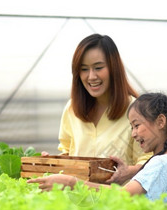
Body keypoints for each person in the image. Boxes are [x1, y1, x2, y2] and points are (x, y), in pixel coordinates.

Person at [29, 92, 167, 203]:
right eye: (131, 127)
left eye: (137, 125)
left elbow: (123, 196)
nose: (133, 134)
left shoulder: (162, 163)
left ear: (161, 122)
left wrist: (71, 182)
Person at [40, 33, 151, 185]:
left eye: (98, 67)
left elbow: (148, 160)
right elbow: (67, 151)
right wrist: (54, 162)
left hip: (120, 202)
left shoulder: (136, 110)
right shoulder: (72, 109)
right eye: (84, 69)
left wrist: (128, 172)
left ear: (114, 68)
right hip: (78, 201)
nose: (91, 76)